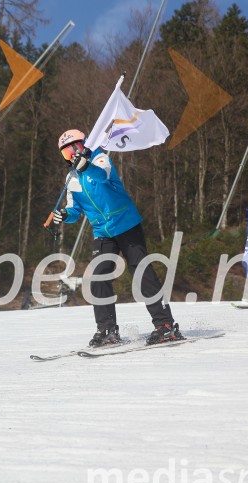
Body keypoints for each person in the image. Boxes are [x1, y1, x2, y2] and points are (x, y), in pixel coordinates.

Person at [51, 129, 182, 347]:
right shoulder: (71, 178)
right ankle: (107, 330)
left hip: (126, 224)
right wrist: (65, 214)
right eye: (66, 152)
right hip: (102, 232)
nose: (72, 154)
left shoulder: (100, 158)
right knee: (98, 279)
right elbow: (75, 210)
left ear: (85, 145)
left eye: (76, 148)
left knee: (141, 273)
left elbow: (103, 176)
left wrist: (88, 166)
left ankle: (165, 326)